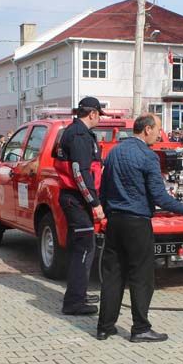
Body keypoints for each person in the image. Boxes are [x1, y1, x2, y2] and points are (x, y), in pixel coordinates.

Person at [96, 114, 183, 342]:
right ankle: (140, 328)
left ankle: (105, 327)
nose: (160, 134)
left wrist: (106, 210)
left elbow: (104, 188)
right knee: (141, 276)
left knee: (113, 275)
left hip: (115, 220)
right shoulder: (147, 156)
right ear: (147, 130)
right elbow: (159, 195)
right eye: (158, 129)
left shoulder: (114, 152)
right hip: (137, 221)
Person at [54, 96, 106, 315]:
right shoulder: (78, 135)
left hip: (76, 198)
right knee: (83, 249)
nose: (99, 119)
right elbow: (79, 172)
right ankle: (74, 302)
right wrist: (94, 203)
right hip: (77, 199)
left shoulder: (79, 133)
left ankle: (79, 293)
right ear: (92, 113)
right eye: (98, 115)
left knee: (85, 247)